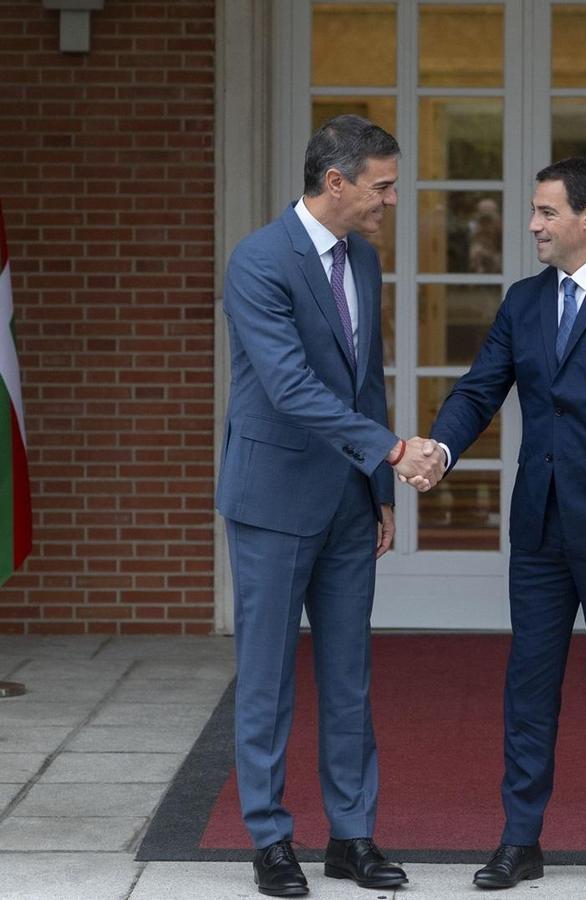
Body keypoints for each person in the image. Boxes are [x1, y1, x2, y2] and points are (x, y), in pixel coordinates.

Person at [429, 157, 586, 892]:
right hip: (538, 530)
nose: (532, 225)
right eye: (534, 211)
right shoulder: (523, 302)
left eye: (545, 212)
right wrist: (438, 449)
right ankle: (520, 840)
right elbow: (480, 390)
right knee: (528, 688)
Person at [217, 114, 444, 898]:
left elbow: (363, 378)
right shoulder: (258, 262)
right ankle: (270, 840)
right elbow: (288, 387)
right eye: (382, 186)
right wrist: (390, 450)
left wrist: (379, 491)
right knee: (269, 678)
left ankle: (351, 837)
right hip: (274, 499)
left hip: (349, 502)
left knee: (349, 676)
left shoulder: (366, 262)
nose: (390, 200)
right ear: (336, 182)